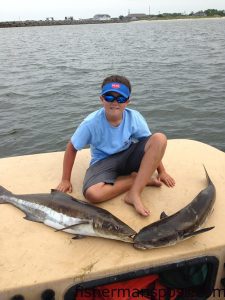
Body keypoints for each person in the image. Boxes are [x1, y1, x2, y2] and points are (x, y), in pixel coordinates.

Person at [56, 75, 175, 217]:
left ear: (128, 101)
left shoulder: (134, 117)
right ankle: (137, 180)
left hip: (128, 155)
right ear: (101, 99)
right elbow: (72, 147)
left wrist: (162, 171)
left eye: (121, 98)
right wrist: (65, 179)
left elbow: (153, 146)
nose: (115, 103)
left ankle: (134, 193)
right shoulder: (90, 123)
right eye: (109, 97)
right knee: (92, 194)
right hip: (103, 162)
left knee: (160, 138)